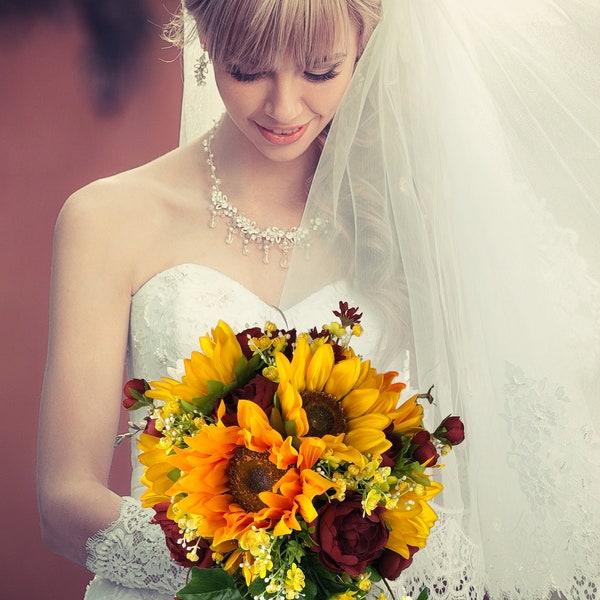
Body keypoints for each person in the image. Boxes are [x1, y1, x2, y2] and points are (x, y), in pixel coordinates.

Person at [38, 1, 600, 599]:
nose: (283, 107)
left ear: (365, 41)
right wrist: (256, 574)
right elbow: (64, 502)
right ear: (203, 34)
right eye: (249, 69)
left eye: (320, 70)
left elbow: (470, 487)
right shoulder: (105, 220)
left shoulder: (409, 221)